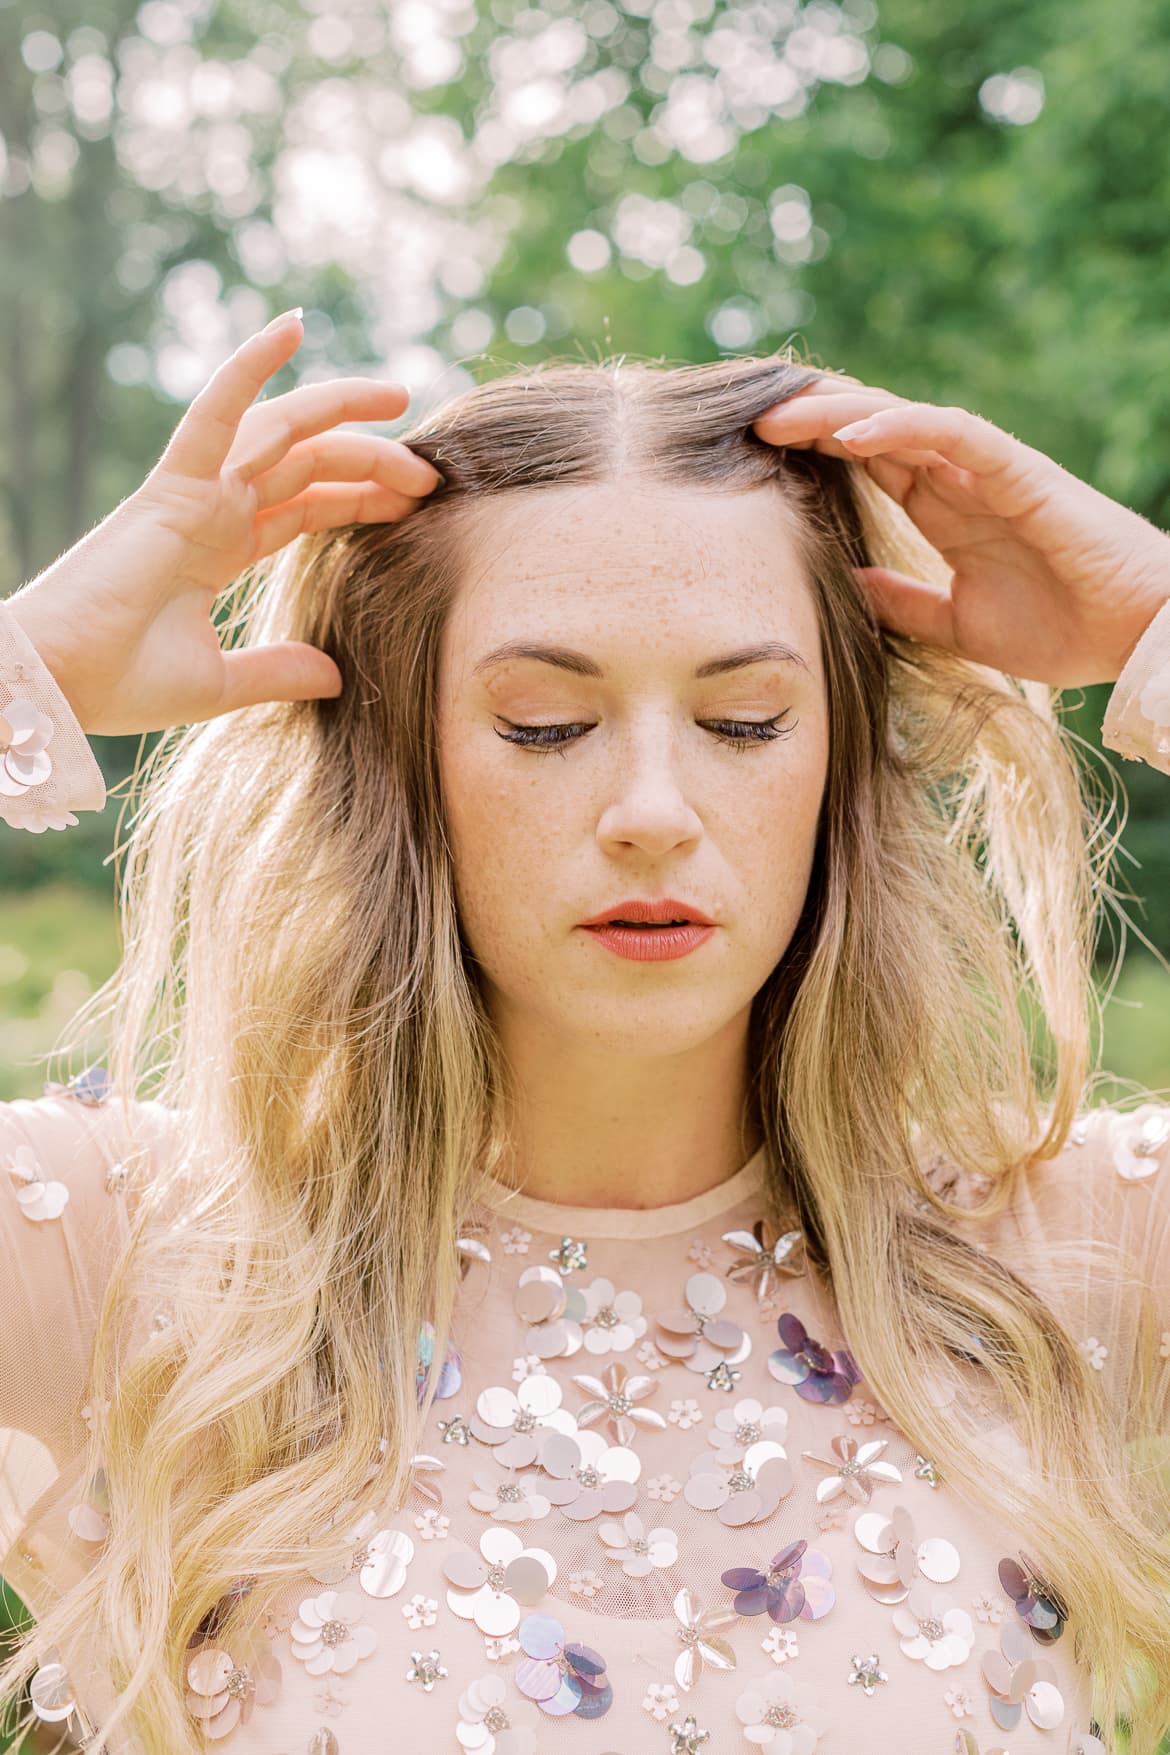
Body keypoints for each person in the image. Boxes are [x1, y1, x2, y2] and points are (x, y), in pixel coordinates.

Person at [0, 308, 1168, 1755]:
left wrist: (1157, 621)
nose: (654, 813)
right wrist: (28, 668)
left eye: (744, 722)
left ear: (838, 761)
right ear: (396, 763)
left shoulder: (1057, 1258)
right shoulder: (115, 1253)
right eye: (544, 726)